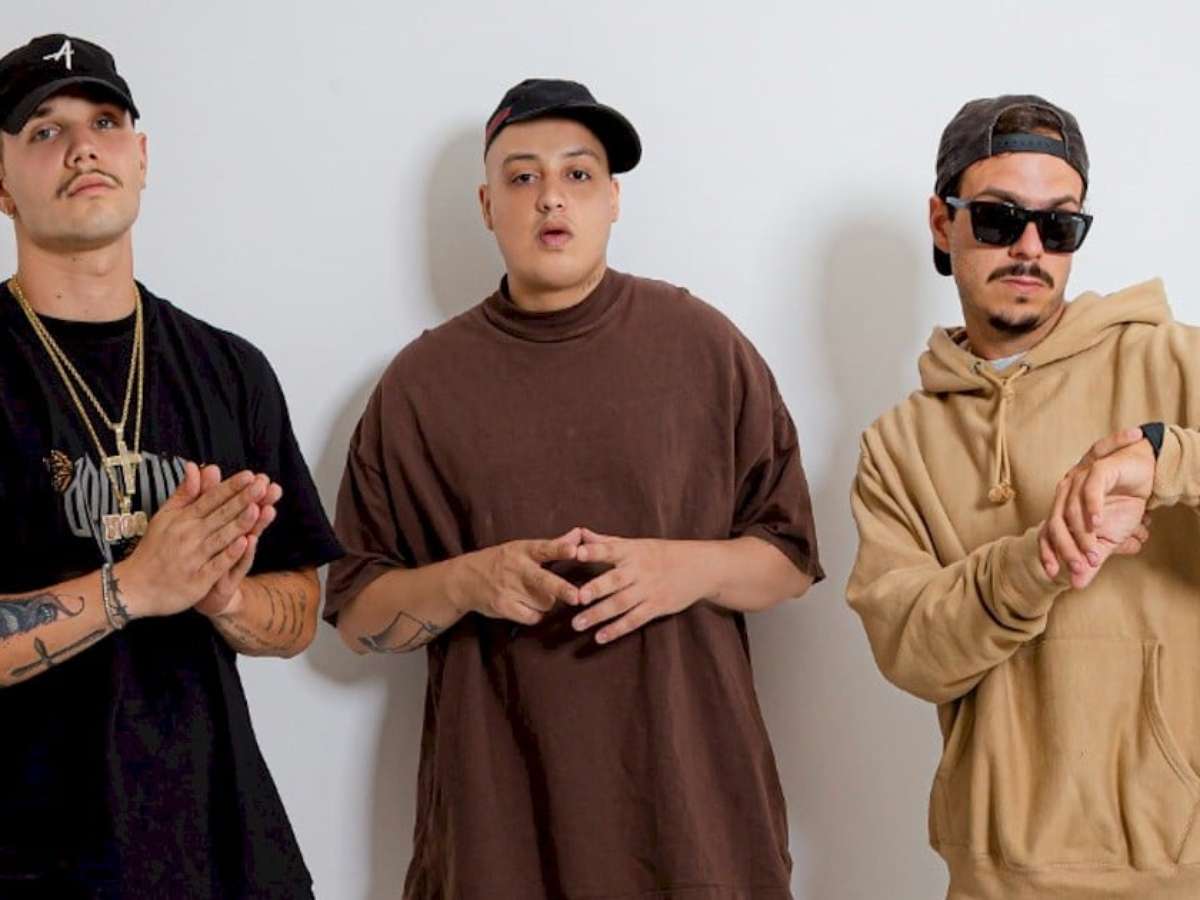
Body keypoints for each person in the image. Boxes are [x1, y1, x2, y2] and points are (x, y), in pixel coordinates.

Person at [327, 77, 823, 899]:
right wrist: (468, 581)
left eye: (579, 174)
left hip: (693, 825)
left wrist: (684, 568)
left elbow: (793, 560)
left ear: (614, 200)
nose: (551, 197)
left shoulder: (704, 347)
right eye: (522, 176)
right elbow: (357, 616)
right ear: (487, 205)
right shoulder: (421, 386)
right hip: (499, 834)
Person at [0, 34, 341, 899]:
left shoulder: (230, 369)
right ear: (0, 183)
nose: (83, 148)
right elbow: (137, 589)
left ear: (142, 158)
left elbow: (301, 611)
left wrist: (226, 597)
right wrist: (131, 589)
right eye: (44, 130)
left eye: (106, 122)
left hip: (224, 853)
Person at [848, 93, 1200, 898]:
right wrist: (1037, 561)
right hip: (997, 880)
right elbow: (911, 652)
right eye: (1000, 219)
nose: (1030, 247)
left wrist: (1164, 459)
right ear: (943, 222)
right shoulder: (898, 446)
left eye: (1060, 225)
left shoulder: (1175, 366)